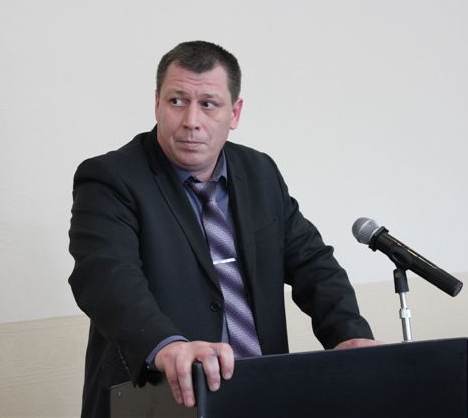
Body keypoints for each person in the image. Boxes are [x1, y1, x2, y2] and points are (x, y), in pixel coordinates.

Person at [68, 40, 378, 418]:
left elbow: (313, 264)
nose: (191, 120)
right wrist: (167, 345)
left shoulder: (259, 172)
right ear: (157, 103)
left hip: (259, 395)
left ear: (235, 112)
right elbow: (106, 277)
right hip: (158, 399)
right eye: (177, 101)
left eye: (208, 104)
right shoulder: (110, 178)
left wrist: (349, 334)